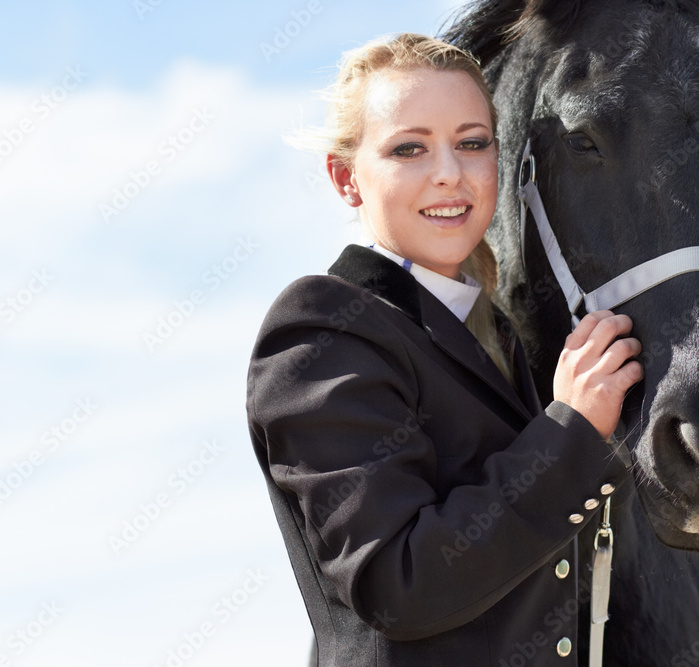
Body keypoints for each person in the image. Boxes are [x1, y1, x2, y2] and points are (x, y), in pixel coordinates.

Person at [246, 32, 643, 666]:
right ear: (347, 178)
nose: (449, 175)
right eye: (410, 148)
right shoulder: (321, 328)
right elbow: (404, 586)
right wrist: (569, 432)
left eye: (471, 143)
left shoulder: (500, 336)